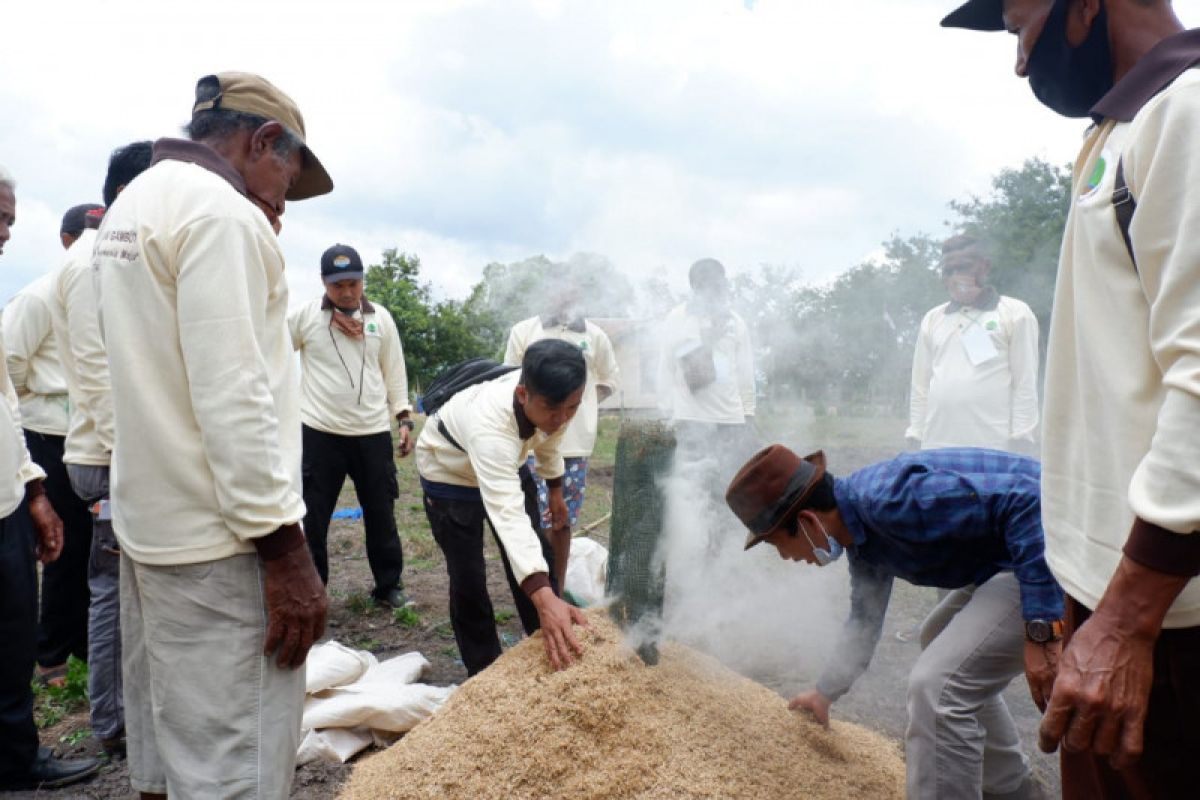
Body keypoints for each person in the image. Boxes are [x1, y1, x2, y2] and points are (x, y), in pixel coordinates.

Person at [943, 2, 1200, 796]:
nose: (1022, 60)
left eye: (1020, 24)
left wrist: (1125, 618)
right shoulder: (1115, 132)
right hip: (1112, 599)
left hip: (1170, 616)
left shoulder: (1186, 113)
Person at [94, 73, 330, 799]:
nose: (284, 195)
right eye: (289, 172)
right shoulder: (221, 217)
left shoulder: (135, 204)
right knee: (234, 764)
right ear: (264, 141)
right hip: (221, 543)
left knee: (168, 749)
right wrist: (286, 551)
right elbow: (234, 395)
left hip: (151, 527)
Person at [725, 444, 1063, 800]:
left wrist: (1042, 629)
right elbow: (864, 622)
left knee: (935, 686)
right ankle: (1011, 788)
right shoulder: (860, 535)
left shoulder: (891, 502)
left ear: (808, 522)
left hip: (1057, 550)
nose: (786, 557)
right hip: (1014, 556)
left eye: (779, 544)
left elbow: (1031, 502)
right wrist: (825, 693)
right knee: (937, 637)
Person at [45, 141, 153, 759]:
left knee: (127, 591)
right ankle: (112, 722)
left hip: (114, 453)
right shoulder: (93, 260)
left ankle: (127, 712)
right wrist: (126, 460)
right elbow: (95, 369)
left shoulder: (107, 253)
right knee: (114, 593)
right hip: (109, 460)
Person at [0, 163, 102, 791]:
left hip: (18, 475)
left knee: (22, 607)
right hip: (44, 433)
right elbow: (12, 369)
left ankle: (16, 758)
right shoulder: (36, 296)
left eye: (9, 219)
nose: (5, 232)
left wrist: (31, 487)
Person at [415, 338, 590, 675]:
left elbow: (549, 438)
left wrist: (555, 488)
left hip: (508, 462)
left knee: (538, 553)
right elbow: (507, 513)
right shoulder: (491, 426)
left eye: (573, 407)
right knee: (468, 576)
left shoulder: (553, 404)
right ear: (523, 395)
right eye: (554, 409)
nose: (563, 418)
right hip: (449, 471)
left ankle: (546, 638)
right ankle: (484, 671)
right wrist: (542, 593)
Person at [289, 243, 412, 608]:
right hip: (319, 432)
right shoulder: (307, 317)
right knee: (312, 518)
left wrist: (404, 416)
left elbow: (395, 371)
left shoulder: (381, 319)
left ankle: (388, 587)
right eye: (338, 284)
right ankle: (314, 592)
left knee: (381, 513)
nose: (346, 292)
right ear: (324, 283)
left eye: (353, 284)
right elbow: (274, 351)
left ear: (362, 281)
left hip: (372, 434)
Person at [503, 281, 619, 582]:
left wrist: (576, 410)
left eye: (573, 288)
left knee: (564, 517)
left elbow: (608, 381)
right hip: (530, 443)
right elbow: (507, 381)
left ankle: (558, 582)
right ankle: (534, 578)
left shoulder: (595, 336)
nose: (566, 295)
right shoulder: (525, 331)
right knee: (532, 515)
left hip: (577, 444)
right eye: (558, 288)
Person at [906, 233, 1040, 455]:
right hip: (936, 445)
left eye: (964, 268)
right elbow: (920, 385)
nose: (956, 276)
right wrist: (915, 434)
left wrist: (1022, 437)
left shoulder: (1016, 313)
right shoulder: (933, 318)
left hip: (993, 447)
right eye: (949, 271)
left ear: (984, 267)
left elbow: (1025, 382)